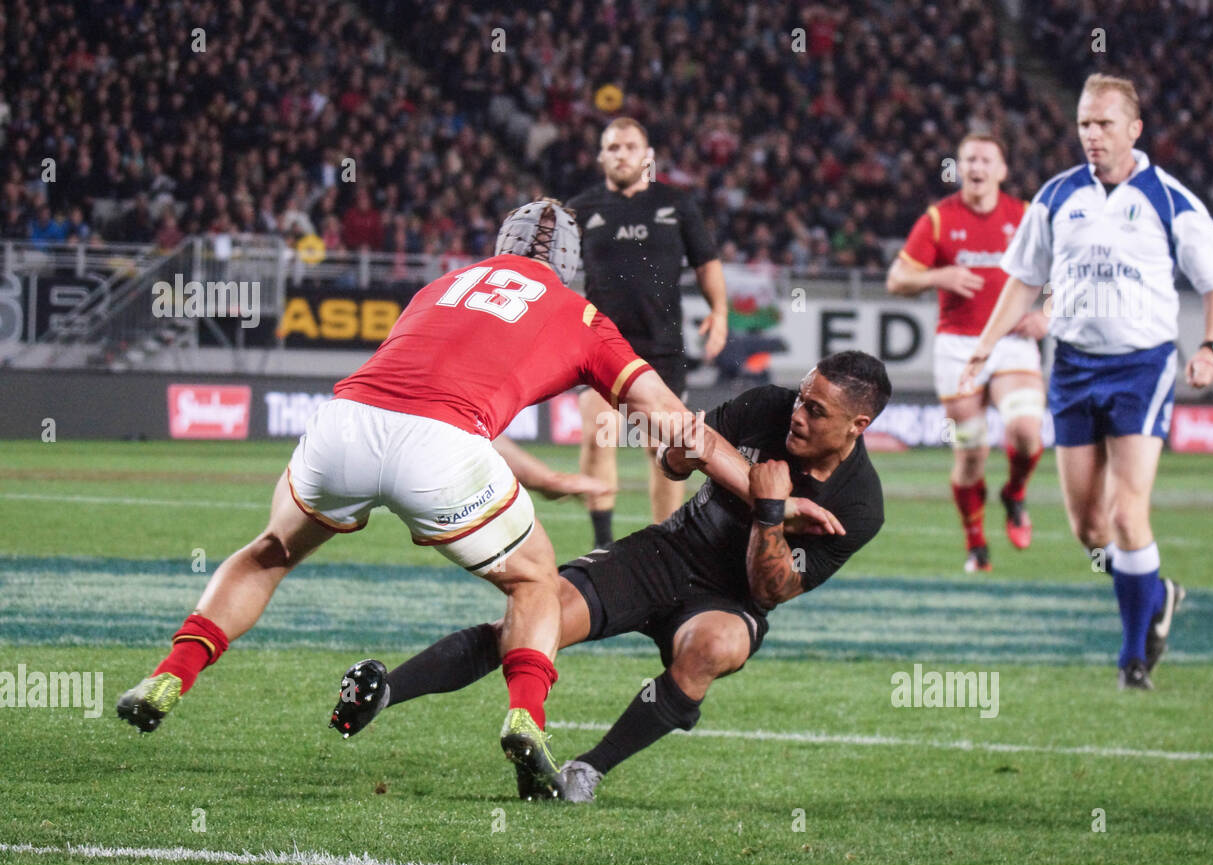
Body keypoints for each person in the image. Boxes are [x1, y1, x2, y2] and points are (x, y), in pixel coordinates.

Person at [118, 198, 839, 799]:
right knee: (534, 578)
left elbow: (435, 406)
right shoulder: (581, 316)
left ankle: (168, 676)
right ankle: (526, 719)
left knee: (269, 552)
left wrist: (545, 480)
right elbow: (672, 422)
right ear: (570, 267)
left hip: (343, 424)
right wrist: (763, 492)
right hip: (445, 449)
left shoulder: (441, 287)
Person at [329, 351, 888, 802]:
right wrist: (684, 454)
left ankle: (587, 771)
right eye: (802, 398)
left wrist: (770, 511)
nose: (798, 413)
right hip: (668, 550)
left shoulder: (861, 505)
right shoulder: (766, 405)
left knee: (716, 645)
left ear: (857, 426)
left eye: (817, 411)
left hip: (730, 599)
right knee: (535, 621)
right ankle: (383, 694)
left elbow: (772, 590)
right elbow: (672, 461)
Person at [959, 74, 1213, 689]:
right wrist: (984, 348)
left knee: (1128, 515)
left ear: (1133, 130)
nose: (1091, 134)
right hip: (1074, 370)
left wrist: (1211, 349)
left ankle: (1133, 657)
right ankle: (1157, 594)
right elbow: (1023, 280)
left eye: (1104, 123)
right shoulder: (1058, 196)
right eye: (1085, 123)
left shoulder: (1169, 198)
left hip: (1142, 369)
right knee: (1089, 528)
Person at [887, 133, 1049, 573]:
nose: (976, 167)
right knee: (972, 452)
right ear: (959, 168)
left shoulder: (1027, 216)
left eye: (986, 160)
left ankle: (1014, 494)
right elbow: (896, 280)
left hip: (1012, 341)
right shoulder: (939, 219)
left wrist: (1049, 316)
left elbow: (1067, 272)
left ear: (1002, 170)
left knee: (1025, 431)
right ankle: (976, 543)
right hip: (958, 344)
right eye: (969, 159)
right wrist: (940, 276)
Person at [568, 117, 730, 546]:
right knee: (597, 435)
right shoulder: (581, 209)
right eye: (613, 147)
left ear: (648, 156)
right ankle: (602, 548)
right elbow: (554, 269)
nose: (622, 154)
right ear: (602, 156)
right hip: (600, 345)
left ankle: (665, 547)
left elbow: (706, 263)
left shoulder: (675, 205)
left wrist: (721, 312)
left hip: (661, 348)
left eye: (630, 146)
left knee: (666, 453)